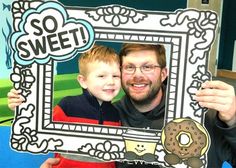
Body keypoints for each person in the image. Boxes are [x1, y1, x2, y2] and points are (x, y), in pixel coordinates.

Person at [8, 44, 236, 168]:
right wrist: (25, 108)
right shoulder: (112, 113)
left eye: (147, 67)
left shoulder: (203, 115)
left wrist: (233, 119)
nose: (138, 76)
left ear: (164, 73)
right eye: (129, 68)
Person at [8, 44, 122, 168]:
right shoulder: (68, 106)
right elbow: (38, 126)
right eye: (101, 76)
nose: (111, 81)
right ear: (83, 81)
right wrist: (21, 106)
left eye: (115, 76)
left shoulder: (116, 114)